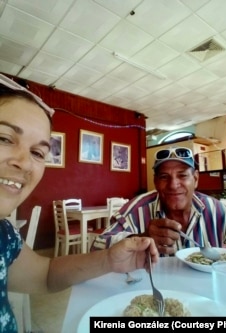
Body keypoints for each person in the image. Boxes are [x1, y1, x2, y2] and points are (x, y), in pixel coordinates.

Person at [0, 73, 159, 333]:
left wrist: (110, 259)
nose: (25, 162)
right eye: (4, 138)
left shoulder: (4, 234)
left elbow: (46, 274)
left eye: (38, 153)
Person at [91, 147, 226, 255]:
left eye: (182, 175)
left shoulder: (214, 209)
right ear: (155, 182)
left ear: (195, 179)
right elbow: (97, 246)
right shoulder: (137, 210)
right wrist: (140, 239)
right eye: (164, 177)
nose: (173, 185)